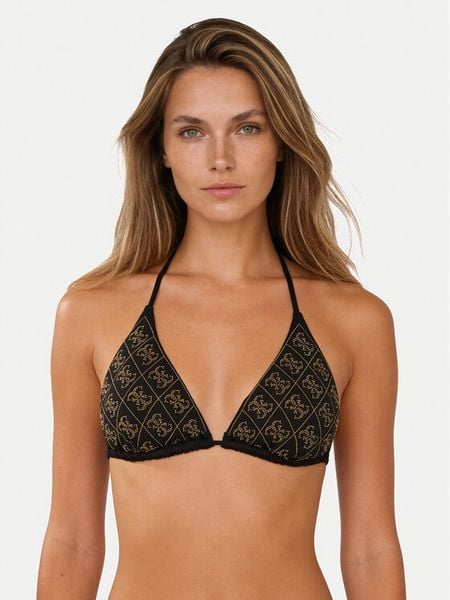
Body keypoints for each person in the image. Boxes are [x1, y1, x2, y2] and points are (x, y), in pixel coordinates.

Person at [36, 17, 406, 600]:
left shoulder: (355, 321)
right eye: (191, 132)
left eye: (247, 128)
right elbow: (73, 541)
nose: (220, 158)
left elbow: (370, 546)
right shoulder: (90, 314)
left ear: (281, 142)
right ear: (160, 149)